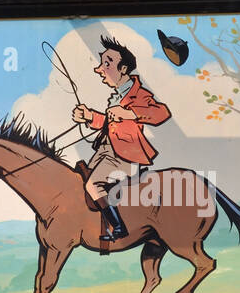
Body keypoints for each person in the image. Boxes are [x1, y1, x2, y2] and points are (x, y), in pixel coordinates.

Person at [72, 35, 171, 240]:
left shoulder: (139, 95)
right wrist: (89, 116)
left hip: (124, 156)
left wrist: (131, 113)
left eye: (107, 64)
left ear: (123, 69)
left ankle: (119, 228)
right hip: (105, 152)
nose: (99, 69)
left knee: (93, 185)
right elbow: (111, 124)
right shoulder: (117, 95)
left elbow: (161, 113)